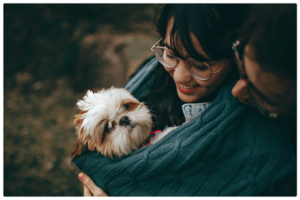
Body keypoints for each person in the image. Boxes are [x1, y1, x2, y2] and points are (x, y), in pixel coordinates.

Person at [73, 4, 295, 196]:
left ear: (235, 54)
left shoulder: (265, 139)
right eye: (170, 54)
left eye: (200, 65)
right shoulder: (149, 74)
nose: (179, 76)